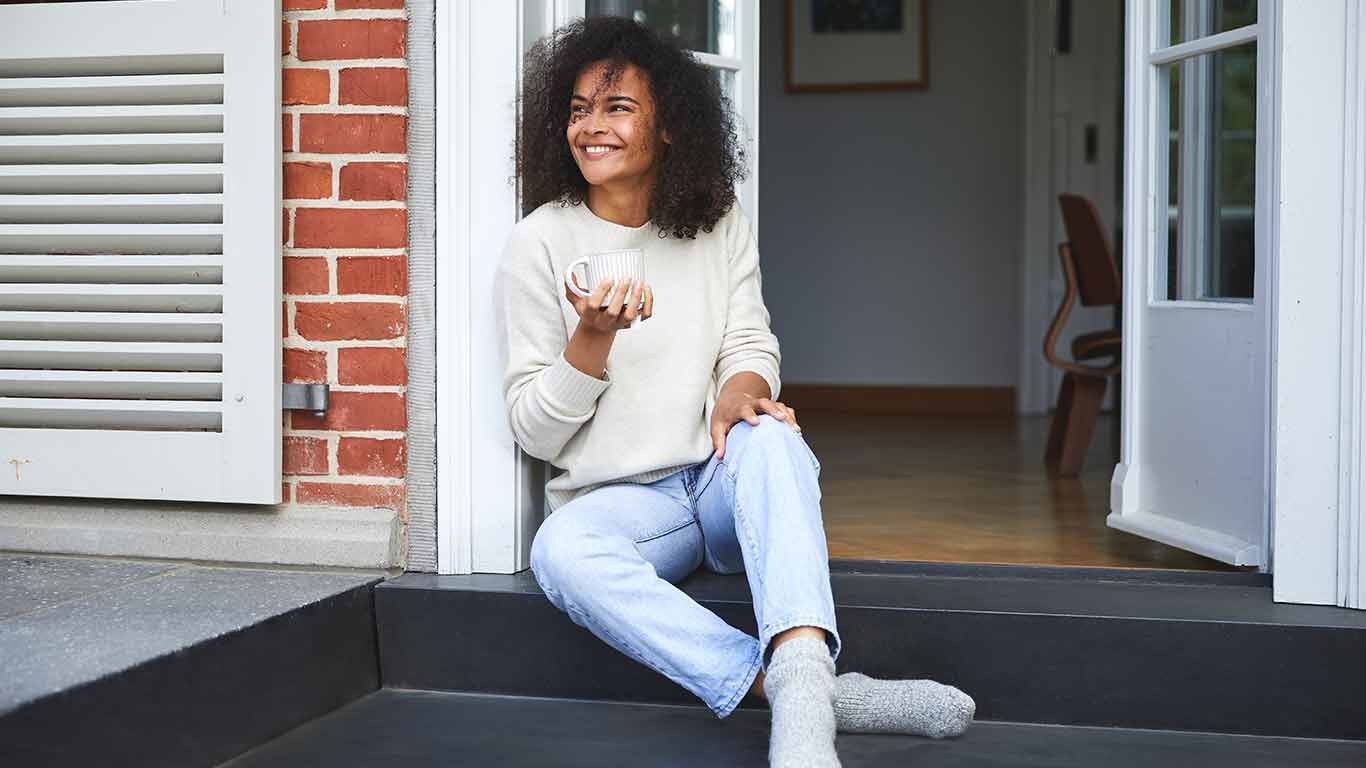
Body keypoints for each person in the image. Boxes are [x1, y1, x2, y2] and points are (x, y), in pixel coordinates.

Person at [493, 16, 975, 767]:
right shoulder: (539, 243)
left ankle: (803, 674)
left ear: (670, 126)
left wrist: (740, 393)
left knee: (773, 435)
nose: (591, 127)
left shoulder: (715, 222)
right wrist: (591, 338)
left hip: (718, 476)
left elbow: (750, 342)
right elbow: (534, 431)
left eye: (618, 107)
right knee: (560, 554)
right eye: (579, 109)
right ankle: (800, 693)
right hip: (629, 505)